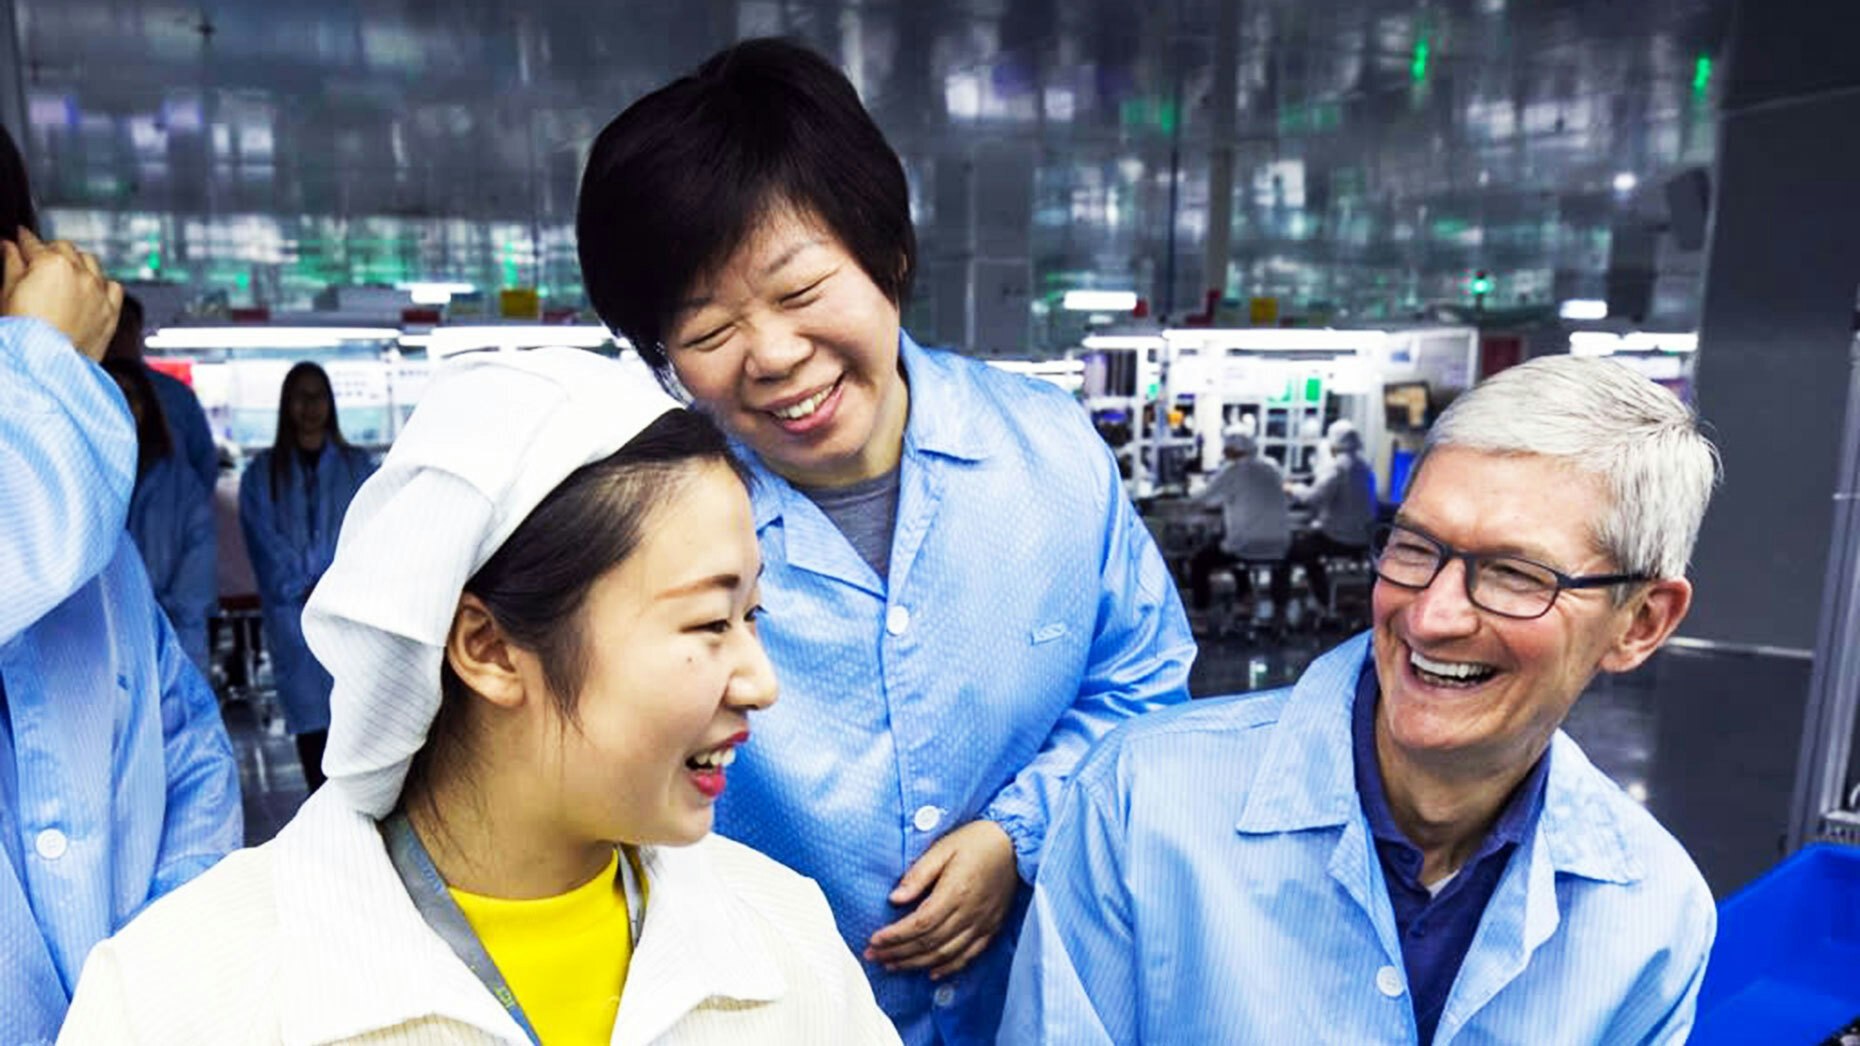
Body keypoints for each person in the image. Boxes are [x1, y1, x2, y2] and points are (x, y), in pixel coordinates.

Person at [577, 38, 1193, 1045]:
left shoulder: (1050, 453)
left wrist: (1017, 833)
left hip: (1035, 1004)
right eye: (708, 328)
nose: (773, 355)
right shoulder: (646, 525)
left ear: (887, 253)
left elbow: (1141, 678)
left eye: (801, 289)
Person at [60, 349, 901, 1044]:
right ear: (489, 648)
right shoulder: (176, 998)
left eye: (752, 615)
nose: (761, 682)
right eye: (709, 623)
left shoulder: (784, 938)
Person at [1001, 355, 1721, 1043]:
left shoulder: (1651, 913)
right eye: (1414, 547)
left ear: (1641, 622)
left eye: (1513, 573)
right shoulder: (1145, 804)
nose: (1432, 616)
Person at [0, 142, 241, 1040]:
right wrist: (42, 368)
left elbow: (191, 757)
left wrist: (152, 982)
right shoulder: (49, 410)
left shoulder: (87, 506)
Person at [238, 361, 375, 791]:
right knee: (314, 741)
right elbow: (264, 543)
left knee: (360, 740)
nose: (310, 406)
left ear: (331, 404)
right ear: (285, 405)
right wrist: (306, 582)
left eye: (318, 395)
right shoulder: (261, 475)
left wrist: (335, 582)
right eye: (300, 396)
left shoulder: (359, 467)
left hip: (350, 617)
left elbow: (371, 531)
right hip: (293, 622)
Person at [101, 357, 217, 675]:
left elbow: (198, 566)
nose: (122, 403)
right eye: (112, 391)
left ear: (148, 406)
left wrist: (151, 618)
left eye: (131, 394)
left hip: (175, 639)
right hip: (99, 648)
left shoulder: (181, 485)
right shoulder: (80, 481)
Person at [105, 294, 217, 495]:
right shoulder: (80, 388)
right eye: (110, 326)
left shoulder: (176, 395)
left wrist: (183, 510)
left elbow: (204, 463)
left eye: (125, 326)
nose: (117, 335)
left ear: (138, 332)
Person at [1186, 430, 1291, 623]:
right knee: (1229, 549)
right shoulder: (1272, 469)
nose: (1224, 453)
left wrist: (1192, 490)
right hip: (1280, 545)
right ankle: (1249, 599)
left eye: (1226, 448)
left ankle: (1200, 615)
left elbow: (1204, 498)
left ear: (1234, 450)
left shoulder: (1233, 471)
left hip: (1246, 545)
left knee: (1200, 561)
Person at [1283, 417, 1378, 619]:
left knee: (1292, 551)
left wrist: (1292, 488)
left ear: (1333, 444)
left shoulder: (1337, 468)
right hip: (1364, 541)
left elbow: (1313, 498)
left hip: (1337, 539)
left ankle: (1322, 602)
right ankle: (1342, 602)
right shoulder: (1365, 467)